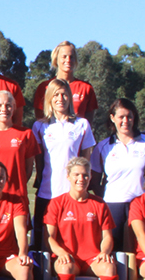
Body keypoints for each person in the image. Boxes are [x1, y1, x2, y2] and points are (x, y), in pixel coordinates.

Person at [44, 157, 119, 280]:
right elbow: (50, 237)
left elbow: (108, 236)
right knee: (65, 268)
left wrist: (104, 252)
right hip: (69, 258)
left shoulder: (99, 203)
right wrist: (60, 252)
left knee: (109, 269)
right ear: (68, 176)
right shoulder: (57, 203)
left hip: (92, 258)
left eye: (85, 175)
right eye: (76, 174)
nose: (81, 179)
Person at [91, 98, 145, 250]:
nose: (125, 121)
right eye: (121, 117)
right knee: (114, 250)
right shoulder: (103, 147)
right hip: (113, 205)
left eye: (129, 116)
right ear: (112, 118)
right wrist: (105, 197)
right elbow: (94, 179)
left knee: (141, 249)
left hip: (142, 204)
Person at [31, 78, 96, 250]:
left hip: (72, 192)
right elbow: (38, 161)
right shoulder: (40, 126)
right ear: (49, 99)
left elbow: (86, 159)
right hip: (48, 192)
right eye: (56, 95)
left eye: (64, 94)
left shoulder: (82, 124)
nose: (60, 99)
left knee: (72, 241)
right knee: (43, 241)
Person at [33, 41, 98, 122]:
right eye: (64, 56)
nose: (68, 60)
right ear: (56, 59)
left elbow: (88, 123)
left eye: (72, 57)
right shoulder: (44, 87)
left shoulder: (86, 88)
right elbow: (40, 120)